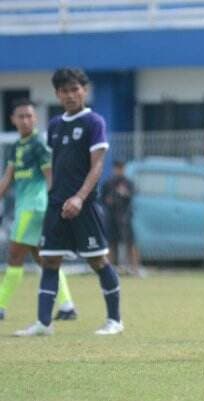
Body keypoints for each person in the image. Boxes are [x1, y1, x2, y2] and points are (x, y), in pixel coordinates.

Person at [15, 68, 123, 336]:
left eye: (75, 89)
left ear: (84, 90)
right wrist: (53, 196)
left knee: (98, 261)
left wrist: (79, 197)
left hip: (83, 206)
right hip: (56, 206)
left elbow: (97, 165)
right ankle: (43, 323)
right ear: (57, 94)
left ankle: (114, 320)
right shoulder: (54, 125)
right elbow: (53, 166)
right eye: (65, 91)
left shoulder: (94, 122)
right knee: (49, 261)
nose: (71, 95)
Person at [0, 99, 77, 321]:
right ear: (13, 119)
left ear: (35, 119)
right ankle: (67, 306)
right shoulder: (16, 147)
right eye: (20, 116)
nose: (25, 120)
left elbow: (50, 176)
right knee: (45, 259)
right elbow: (7, 179)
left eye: (29, 116)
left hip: (34, 209)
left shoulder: (38, 145)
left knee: (15, 256)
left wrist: (55, 206)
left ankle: (1, 304)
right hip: (27, 209)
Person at [101, 160, 141, 276]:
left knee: (130, 243)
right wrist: (108, 200)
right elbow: (102, 199)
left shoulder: (128, 183)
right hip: (112, 217)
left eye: (120, 168)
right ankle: (110, 269)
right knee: (112, 244)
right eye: (116, 168)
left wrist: (124, 193)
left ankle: (134, 268)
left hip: (125, 217)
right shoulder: (109, 183)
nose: (118, 171)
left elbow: (132, 195)